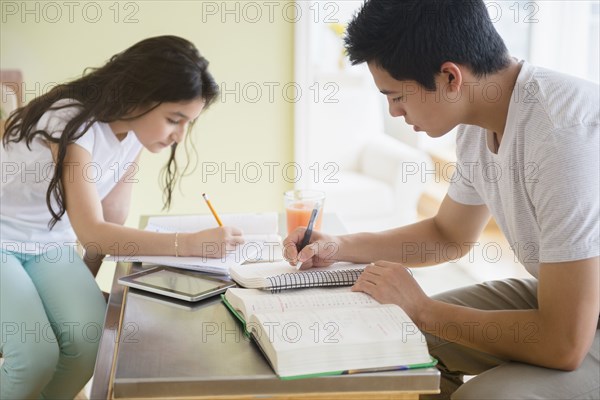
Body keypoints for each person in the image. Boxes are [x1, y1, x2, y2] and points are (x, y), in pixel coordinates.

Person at [283, 1, 599, 399]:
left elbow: (564, 342)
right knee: (400, 336)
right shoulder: (478, 120)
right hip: (572, 298)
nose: (394, 112)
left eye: (396, 96)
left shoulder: (563, 136)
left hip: (573, 321)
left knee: (483, 394)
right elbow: (448, 233)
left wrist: (425, 309)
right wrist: (341, 246)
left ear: (450, 77)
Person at [0, 35, 244, 399]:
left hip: (48, 244)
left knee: (91, 344)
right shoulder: (71, 121)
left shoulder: (133, 134)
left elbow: (110, 218)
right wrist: (190, 244)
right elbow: (95, 233)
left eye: (187, 123)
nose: (179, 135)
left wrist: (79, 284)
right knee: (35, 355)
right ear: (138, 96)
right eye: (174, 119)